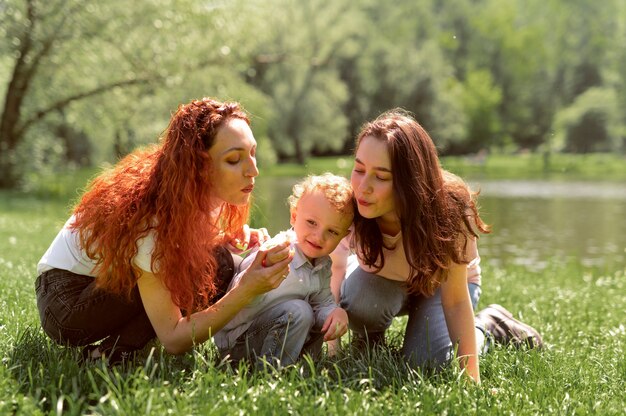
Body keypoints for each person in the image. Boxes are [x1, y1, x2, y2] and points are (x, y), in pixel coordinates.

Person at [35, 97, 294, 364]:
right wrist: (246, 289)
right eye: (234, 159)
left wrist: (227, 239)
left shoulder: (194, 192)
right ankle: (111, 355)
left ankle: (116, 349)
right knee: (201, 268)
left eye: (252, 152)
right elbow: (173, 340)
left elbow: (193, 242)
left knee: (221, 262)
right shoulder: (153, 220)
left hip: (97, 284)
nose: (254, 170)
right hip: (66, 303)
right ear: (199, 166)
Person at [331, 109, 543, 383]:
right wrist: (332, 353)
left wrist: (472, 380)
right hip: (386, 282)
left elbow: (454, 301)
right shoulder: (349, 204)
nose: (363, 187)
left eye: (381, 177)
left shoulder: (450, 206)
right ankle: (370, 342)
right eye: (359, 169)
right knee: (359, 298)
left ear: (410, 182)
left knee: (426, 365)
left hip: (442, 286)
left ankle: (490, 326)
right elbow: (330, 269)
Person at [215, 173, 354, 367]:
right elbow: (239, 290)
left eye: (332, 231)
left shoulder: (321, 264)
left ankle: (304, 366)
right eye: (312, 223)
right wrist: (264, 266)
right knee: (300, 311)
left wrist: (334, 313)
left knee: (311, 315)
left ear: (343, 237)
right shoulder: (277, 251)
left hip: (274, 332)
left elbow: (322, 302)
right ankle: (272, 372)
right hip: (238, 342)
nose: (319, 236)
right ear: (294, 216)